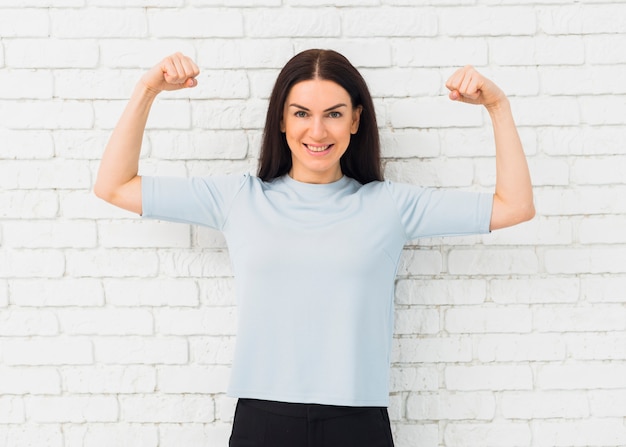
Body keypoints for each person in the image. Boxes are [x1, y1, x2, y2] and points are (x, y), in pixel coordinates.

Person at [95, 49, 534, 447]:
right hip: (261, 421)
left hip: (357, 423)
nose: (318, 130)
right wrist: (147, 90)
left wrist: (498, 107)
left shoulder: (390, 205)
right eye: (302, 113)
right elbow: (114, 186)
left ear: (356, 120)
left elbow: (514, 207)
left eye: (335, 114)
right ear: (282, 120)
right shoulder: (239, 199)